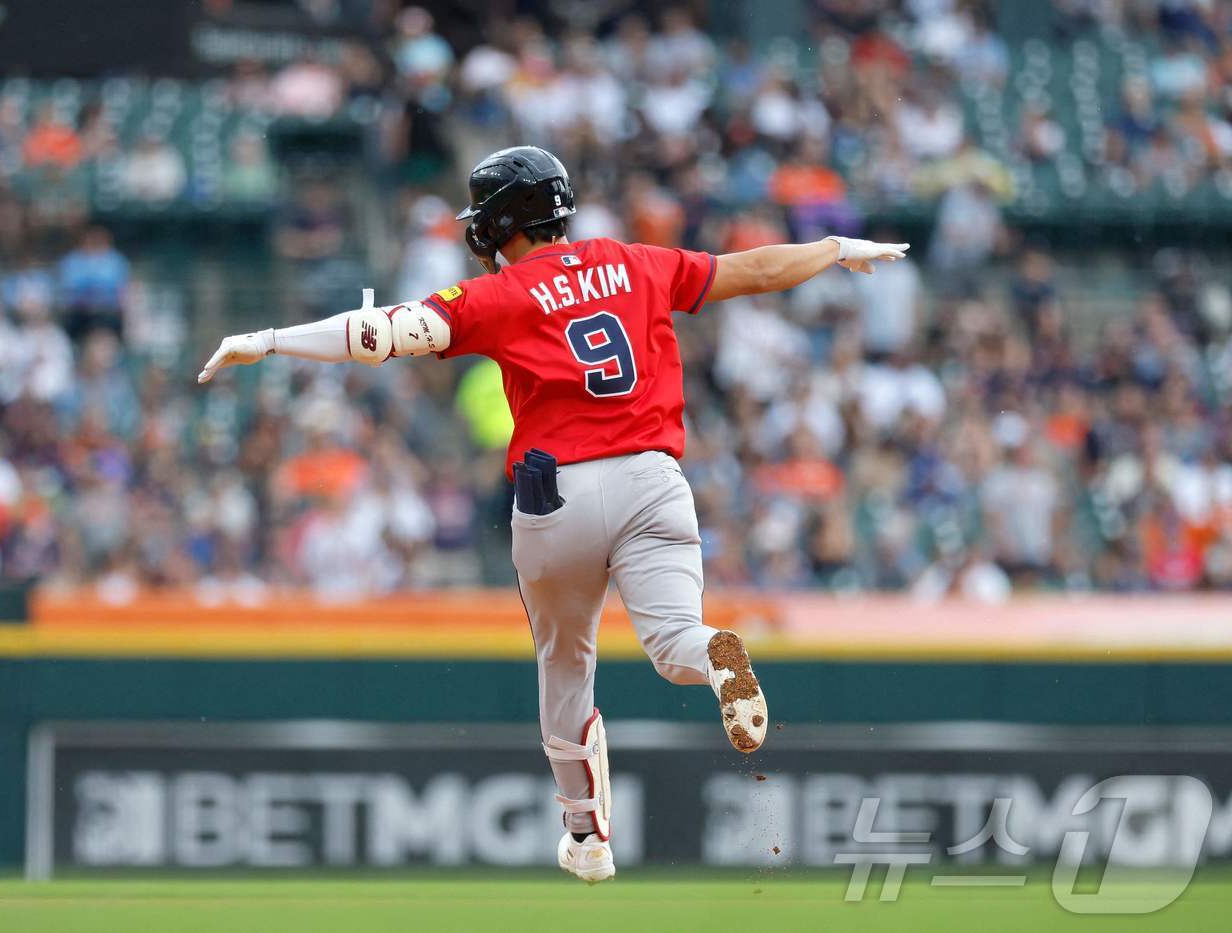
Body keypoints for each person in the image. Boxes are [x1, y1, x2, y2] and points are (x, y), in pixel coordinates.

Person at [196, 146, 908, 882]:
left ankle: (587, 835)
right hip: (652, 478)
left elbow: (378, 334)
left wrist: (270, 341)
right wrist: (833, 247)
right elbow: (753, 270)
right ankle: (713, 657)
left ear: (500, 219)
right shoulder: (637, 261)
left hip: (557, 492)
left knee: (565, 662)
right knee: (673, 639)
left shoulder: (500, 294)